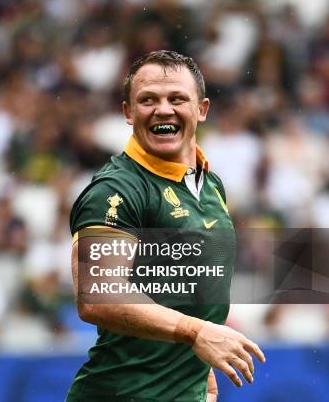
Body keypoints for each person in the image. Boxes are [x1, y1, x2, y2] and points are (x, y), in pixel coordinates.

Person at [69, 50, 265, 402]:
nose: (163, 109)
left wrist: (200, 376)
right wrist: (196, 333)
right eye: (148, 100)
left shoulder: (210, 184)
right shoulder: (116, 190)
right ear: (129, 112)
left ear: (202, 109)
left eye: (177, 98)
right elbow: (96, 298)